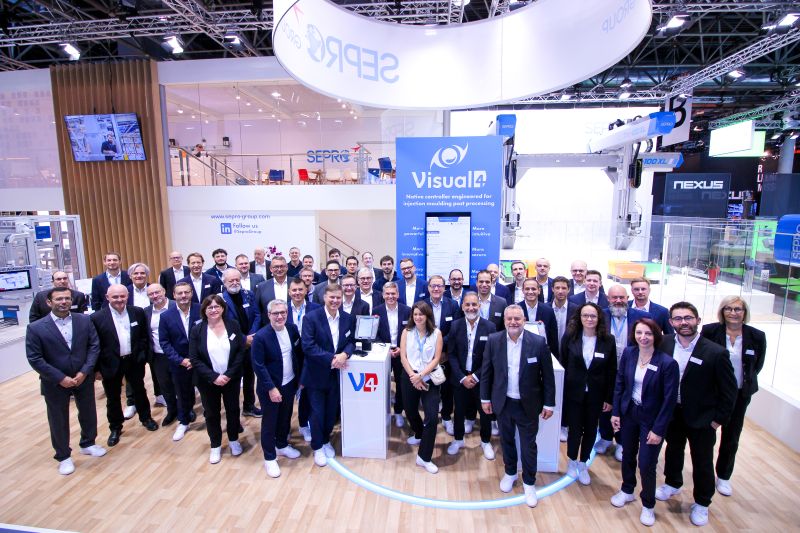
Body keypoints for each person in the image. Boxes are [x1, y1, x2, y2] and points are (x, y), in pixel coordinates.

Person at [655, 302, 737, 527]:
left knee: (702, 461)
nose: (683, 322)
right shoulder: (663, 343)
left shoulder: (715, 352)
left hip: (702, 418)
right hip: (673, 412)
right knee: (673, 450)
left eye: (688, 318)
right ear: (671, 322)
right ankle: (672, 483)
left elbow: (729, 391)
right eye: (678, 318)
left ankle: (702, 502)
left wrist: (717, 420)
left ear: (698, 320)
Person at [481, 305, 556, 507]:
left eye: (517, 319)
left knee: (528, 445)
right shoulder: (494, 341)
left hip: (528, 404)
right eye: (510, 319)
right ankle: (510, 472)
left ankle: (529, 482)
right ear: (504, 320)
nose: (513, 322)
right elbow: (487, 373)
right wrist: (485, 399)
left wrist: (549, 403)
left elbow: (548, 377)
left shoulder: (538, 343)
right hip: (503, 402)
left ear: (524, 320)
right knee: (506, 440)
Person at [26, 286, 106, 475]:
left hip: (82, 377)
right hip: (54, 381)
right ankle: (63, 456)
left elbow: (94, 346)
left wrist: (85, 371)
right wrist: (60, 378)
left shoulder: (84, 320)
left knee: (88, 412)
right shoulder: (36, 328)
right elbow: (35, 358)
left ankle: (88, 443)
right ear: (49, 302)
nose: (64, 302)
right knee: (58, 419)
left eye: (67, 298)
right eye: (59, 299)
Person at [610, 318, 679, 527]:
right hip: (630, 412)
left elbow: (669, 401)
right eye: (639, 333)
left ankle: (648, 504)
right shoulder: (629, 354)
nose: (643, 337)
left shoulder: (667, 363)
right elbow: (620, 383)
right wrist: (616, 412)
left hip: (652, 418)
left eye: (648, 333)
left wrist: (658, 429)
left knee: (647, 463)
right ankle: (627, 489)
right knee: (628, 454)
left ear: (655, 335)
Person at [700, 296, 766, 497]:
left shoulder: (756, 336)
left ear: (745, 312)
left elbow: (757, 366)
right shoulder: (710, 331)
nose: (733, 313)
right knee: (706, 435)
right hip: (712, 393)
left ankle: (724, 476)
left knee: (732, 436)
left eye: (738, 309)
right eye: (728, 308)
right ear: (722, 311)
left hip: (739, 394)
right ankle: (704, 475)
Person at [91, 284, 159, 447]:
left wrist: (142, 355)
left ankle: (146, 418)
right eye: (115, 297)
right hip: (111, 363)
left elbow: (144, 336)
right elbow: (94, 345)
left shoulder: (137, 312)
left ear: (127, 296)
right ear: (107, 297)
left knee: (139, 391)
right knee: (113, 397)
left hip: (134, 360)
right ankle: (115, 427)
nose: (119, 300)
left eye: (122, 296)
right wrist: (96, 369)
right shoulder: (97, 318)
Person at [560, 302, 616, 485]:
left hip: (596, 394)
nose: (589, 319)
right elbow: (563, 363)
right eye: (585, 315)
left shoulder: (608, 340)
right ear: (579, 317)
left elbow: (611, 371)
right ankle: (571, 461)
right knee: (574, 429)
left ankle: (583, 463)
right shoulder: (570, 337)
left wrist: (608, 398)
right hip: (573, 393)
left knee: (591, 429)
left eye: (593, 316)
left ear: (599, 318)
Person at [301, 283, 354, 467]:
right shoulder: (311, 318)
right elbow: (308, 346)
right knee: (317, 413)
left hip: (337, 375)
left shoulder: (347, 318)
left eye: (338, 297)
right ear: (324, 298)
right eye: (332, 297)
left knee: (331, 412)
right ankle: (317, 447)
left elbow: (351, 341)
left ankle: (325, 440)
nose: (335, 301)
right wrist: (333, 359)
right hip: (316, 374)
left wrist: (345, 354)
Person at [188, 294, 246, 464]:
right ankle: (215, 445)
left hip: (231, 379)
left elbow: (240, 352)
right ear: (204, 310)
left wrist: (228, 375)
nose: (214, 310)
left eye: (217, 306)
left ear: (222, 308)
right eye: (210, 307)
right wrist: (214, 377)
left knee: (233, 410)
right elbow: (194, 358)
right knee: (211, 413)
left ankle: (234, 440)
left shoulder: (233, 325)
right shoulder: (197, 330)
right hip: (208, 381)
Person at [597, 284, 652, 459]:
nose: (618, 301)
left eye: (622, 297)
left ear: (627, 298)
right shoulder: (600, 316)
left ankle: (622, 442)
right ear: (608, 299)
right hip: (606, 369)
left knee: (626, 407)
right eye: (615, 298)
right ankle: (605, 437)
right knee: (605, 405)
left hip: (632, 370)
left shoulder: (642, 317)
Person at [251, 299, 304, 478]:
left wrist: (300, 379)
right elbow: (259, 366)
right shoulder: (261, 337)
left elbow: (298, 354)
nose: (280, 316)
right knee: (270, 422)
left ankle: (281, 445)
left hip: (290, 383)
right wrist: (271, 388)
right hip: (271, 387)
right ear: (269, 315)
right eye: (275, 313)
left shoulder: (292, 329)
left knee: (285, 417)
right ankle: (269, 457)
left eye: (283, 312)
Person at [447, 292, 497, 459]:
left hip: (481, 379)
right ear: (462, 307)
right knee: (459, 410)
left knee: (485, 412)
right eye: (467, 304)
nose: (471, 308)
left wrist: (475, 376)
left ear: (479, 306)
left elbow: (490, 357)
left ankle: (485, 441)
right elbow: (451, 354)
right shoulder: (455, 326)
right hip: (460, 378)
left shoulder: (490, 327)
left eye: (474, 304)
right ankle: (458, 439)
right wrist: (462, 377)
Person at [399, 301, 443, 474]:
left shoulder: (436, 333)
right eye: (415, 314)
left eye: (421, 314)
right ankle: (418, 432)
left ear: (427, 316)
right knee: (410, 410)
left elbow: (436, 358)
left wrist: (421, 375)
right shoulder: (407, 332)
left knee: (431, 417)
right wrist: (413, 376)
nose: (418, 317)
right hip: (410, 376)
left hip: (428, 378)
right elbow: (403, 356)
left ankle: (424, 457)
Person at [159, 281, 201, 441]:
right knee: (182, 394)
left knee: (207, 393)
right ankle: (183, 422)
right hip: (179, 362)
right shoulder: (165, 316)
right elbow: (165, 343)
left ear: (191, 293)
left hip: (200, 361)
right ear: (174, 295)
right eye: (180, 293)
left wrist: (195, 359)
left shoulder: (201, 310)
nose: (183, 296)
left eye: (186, 292)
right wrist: (181, 360)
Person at [221, 268, 262, 418]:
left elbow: (257, 315)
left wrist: (251, 335)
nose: (234, 282)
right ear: (224, 282)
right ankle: (233, 414)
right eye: (231, 280)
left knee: (250, 376)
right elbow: (223, 323)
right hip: (232, 345)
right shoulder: (220, 299)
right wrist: (243, 339)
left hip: (250, 343)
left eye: (237, 280)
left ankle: (249, 406)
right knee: (234, 380)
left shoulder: (248, 294)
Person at [286, 277, 320, 442]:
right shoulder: (283, 309)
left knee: (306, 393)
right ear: (289, 292)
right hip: (288, 357)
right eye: (294, 290)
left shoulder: (316, 309)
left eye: (300, 289)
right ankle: (284, 428)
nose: (297, 293)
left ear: (306, 291)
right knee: (287, 395)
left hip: (310, 357)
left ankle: (303, 424)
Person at [374, 281, 411, 428]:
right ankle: (384, 413)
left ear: (398, 294)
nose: (390, 296)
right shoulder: (376, 311)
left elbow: (411, 332)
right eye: (387, 294)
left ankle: (398, 412)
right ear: (383, 295)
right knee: (382, 384)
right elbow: (374, 335)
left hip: (401, 353)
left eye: (393, 293)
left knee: (401, 385)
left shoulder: (407, 310)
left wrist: (402, 348)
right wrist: (386, 349)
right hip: (384, 353)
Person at [144, 283, 178, 427]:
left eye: (157, 292)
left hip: (177, 354)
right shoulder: (146, 312)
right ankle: (172, 410)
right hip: (158, 356)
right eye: (151, 294)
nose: (155, 296)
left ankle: (186, 410)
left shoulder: (176, 305)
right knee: (165, 386)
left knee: (182, 385)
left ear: (164, 291)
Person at [518, 278, 559, 360]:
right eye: (527, 289)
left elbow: (553, 338)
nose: (530, 292)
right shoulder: (516, 310)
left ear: (539, 291)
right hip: (520, 354)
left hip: (543, 354)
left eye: (533, 289)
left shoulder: (548, 311)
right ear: (522, 291)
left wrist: (554, 359)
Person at [255, 255, 290, 327]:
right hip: (269, 328)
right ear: (270, 269)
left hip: (292, 327)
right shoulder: (262, 287)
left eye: (282, 266)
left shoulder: (295, 283)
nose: (279, 269)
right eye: (276, 267)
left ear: (287, 267)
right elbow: (257, 310)